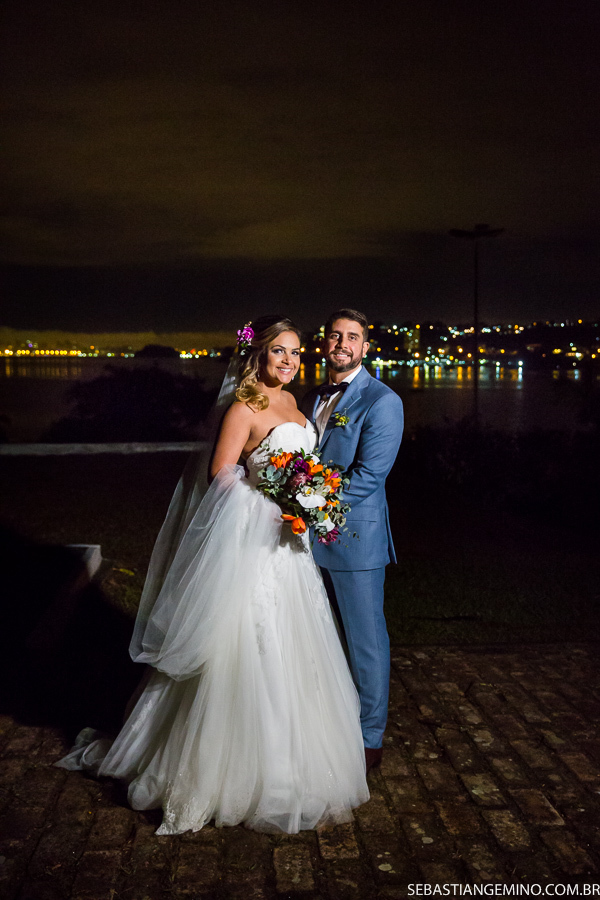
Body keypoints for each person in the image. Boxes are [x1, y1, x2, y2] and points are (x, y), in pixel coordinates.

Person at [56, 315, 369, 835]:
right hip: (253, 545)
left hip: (290, 552)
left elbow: (308, 468)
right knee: (247, 647)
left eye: (295, 352)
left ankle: (290, 769)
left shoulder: (298, 405)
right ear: (259, 356)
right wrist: (272, 502)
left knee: (294, 649)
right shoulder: (244, 407)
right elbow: (220, 474)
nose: (289, 361)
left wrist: (310, 501)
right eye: (279, 352)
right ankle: (225, 772)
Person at [301, 309, 404, 773]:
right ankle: (320, 725)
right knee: (313, 636)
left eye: (352, 337)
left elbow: (367, 477)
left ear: (365, 347)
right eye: (335, 335)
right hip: (302, 542)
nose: (342, 343)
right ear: (325, 343)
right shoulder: (311, 397)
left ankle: (368, 739)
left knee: (365, 642)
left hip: (354, 540)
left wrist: (304, 497)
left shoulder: (382, 401)